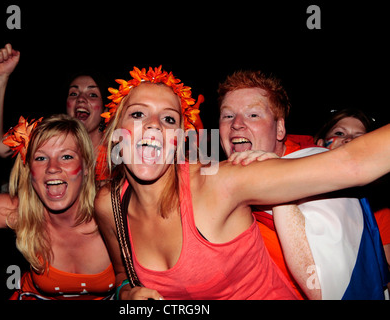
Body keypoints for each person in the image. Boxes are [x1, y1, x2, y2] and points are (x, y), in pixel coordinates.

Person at [94, 66, 390, 300]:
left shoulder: (221, 181)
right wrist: (126, 292)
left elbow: (353, 163)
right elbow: (122, 273)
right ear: (116, 130)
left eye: (169, 119)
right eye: (137, 114)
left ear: (184, 138)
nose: (154, 124)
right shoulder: (109, 205)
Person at [217, 71, 389, 299]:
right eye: (227, 116)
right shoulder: (214, 178)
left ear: (280, 129)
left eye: (253, 114)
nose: (237, 124)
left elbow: (325, 288)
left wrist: (275, 182)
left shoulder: (317, 164)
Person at [0, 114, 115, 299]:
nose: (52, 167)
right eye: (40, 158)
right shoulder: (19, 210)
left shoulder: (112, 207)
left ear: (86, 165)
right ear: (29, 169)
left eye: (66, 156)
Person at [0, 44, 109, 180]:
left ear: (105, 109)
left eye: (92, 94)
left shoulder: (121, 149)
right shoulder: (47, 140)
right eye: (73, 93)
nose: (81, 99)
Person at [314, 108, 390, 284]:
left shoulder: (377, 209)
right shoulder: (293, 188)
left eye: (359, 138)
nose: (348, 140)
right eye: (339, 133)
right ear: (320, 143)